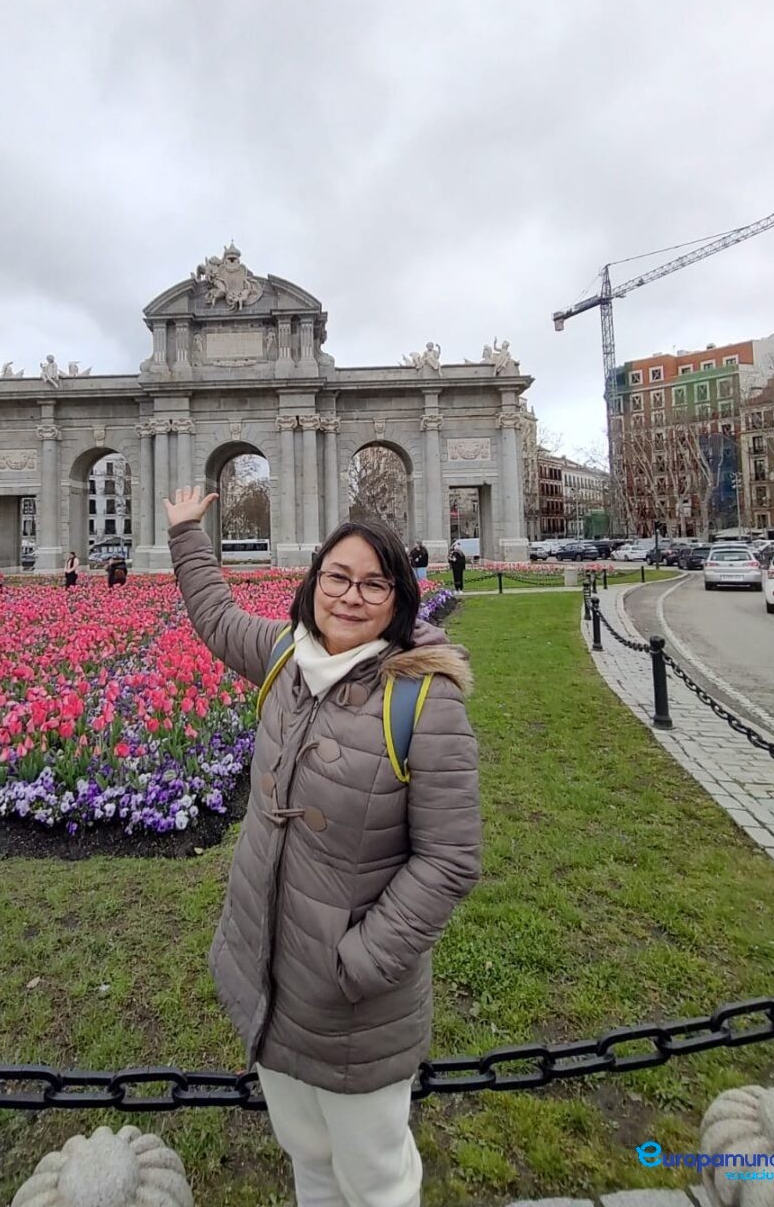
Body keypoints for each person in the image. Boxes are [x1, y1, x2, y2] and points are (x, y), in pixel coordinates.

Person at [163, 485, 479, 1207]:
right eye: (337, 577)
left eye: (374, 583)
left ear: (399, 598)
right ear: (314, 584)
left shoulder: (424, 698)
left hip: (355, 1002)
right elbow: (214, 618)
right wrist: (186, 534)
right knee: (307, 1153)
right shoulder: (287, 656)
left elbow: (450, 857)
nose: (350, 595)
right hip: (273, 975)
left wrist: (361, 961)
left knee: (376, 1179)